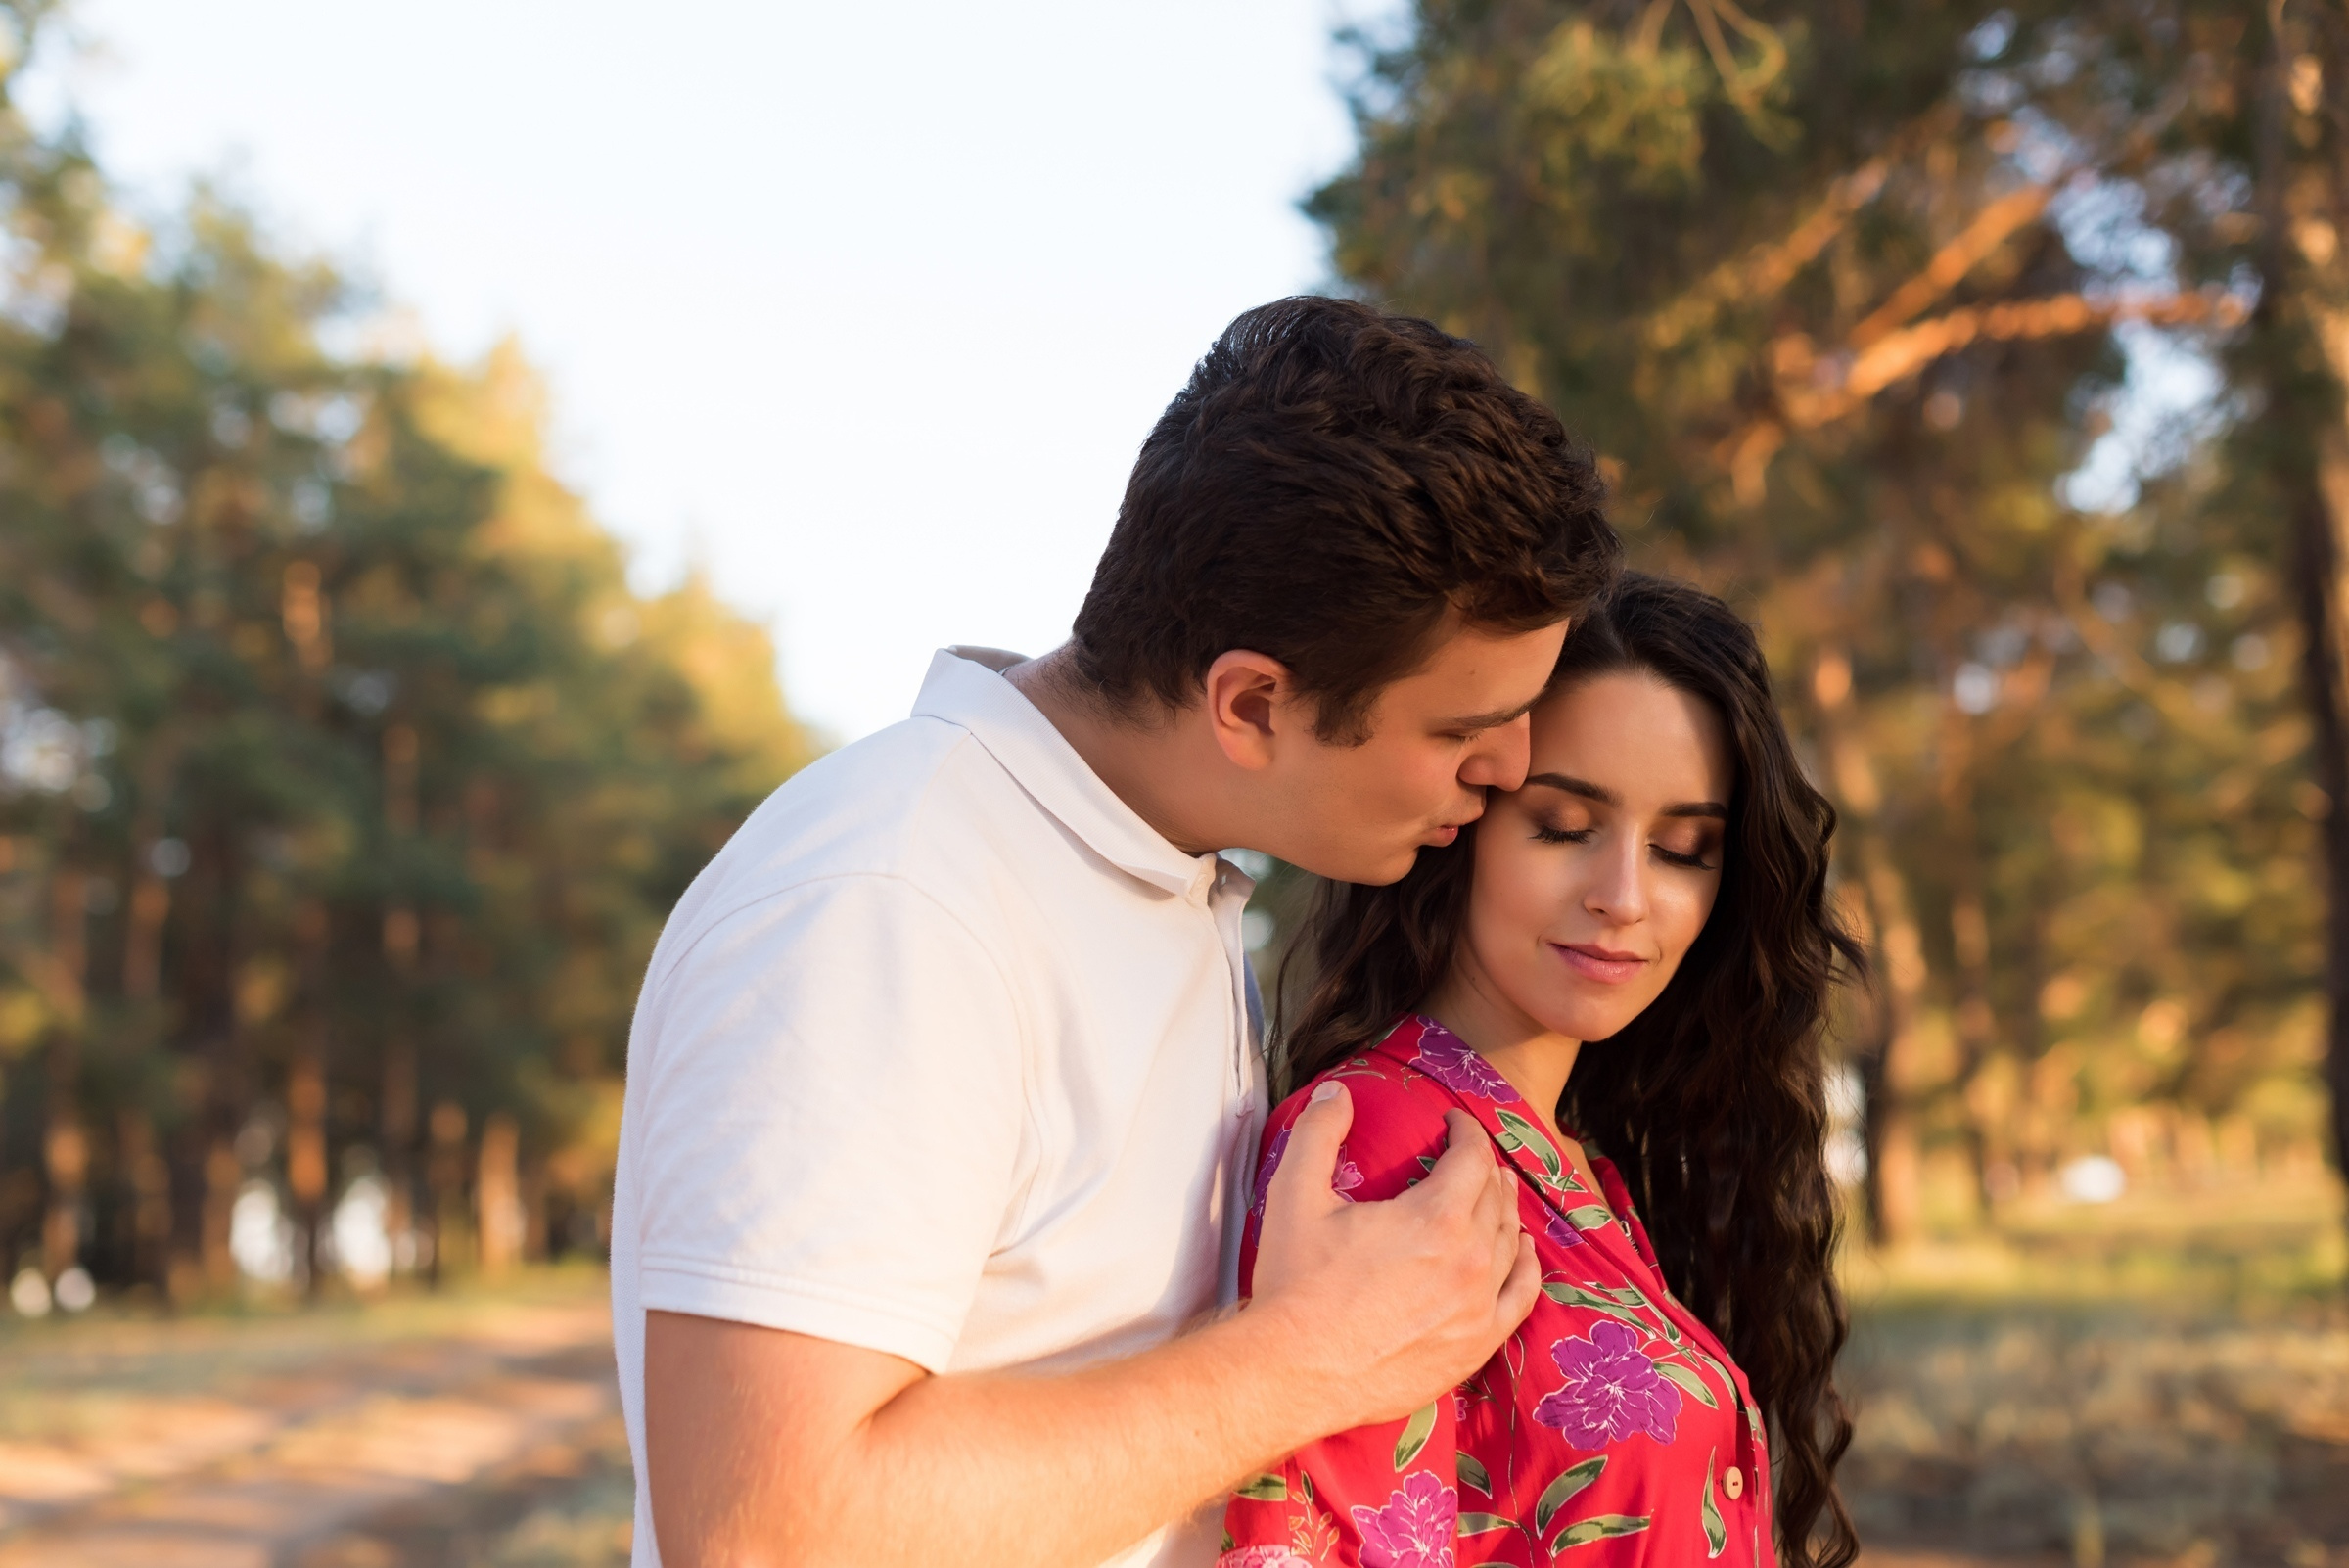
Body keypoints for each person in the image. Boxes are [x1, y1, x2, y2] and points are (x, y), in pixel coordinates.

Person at [611, 296, 1621, 1568]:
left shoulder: (1148, 873)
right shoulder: (891, 904)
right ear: (1251, 703)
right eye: (1462, 726)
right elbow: (764, 1531)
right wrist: (1305, 1358)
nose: (1510, 767)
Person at [1222, 574, 1861, 1568]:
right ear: (1461, 823)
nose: (1625, 897)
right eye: (1565, 827)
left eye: (1684, 850)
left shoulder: (1576, 1166)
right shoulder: (1381, 1148)